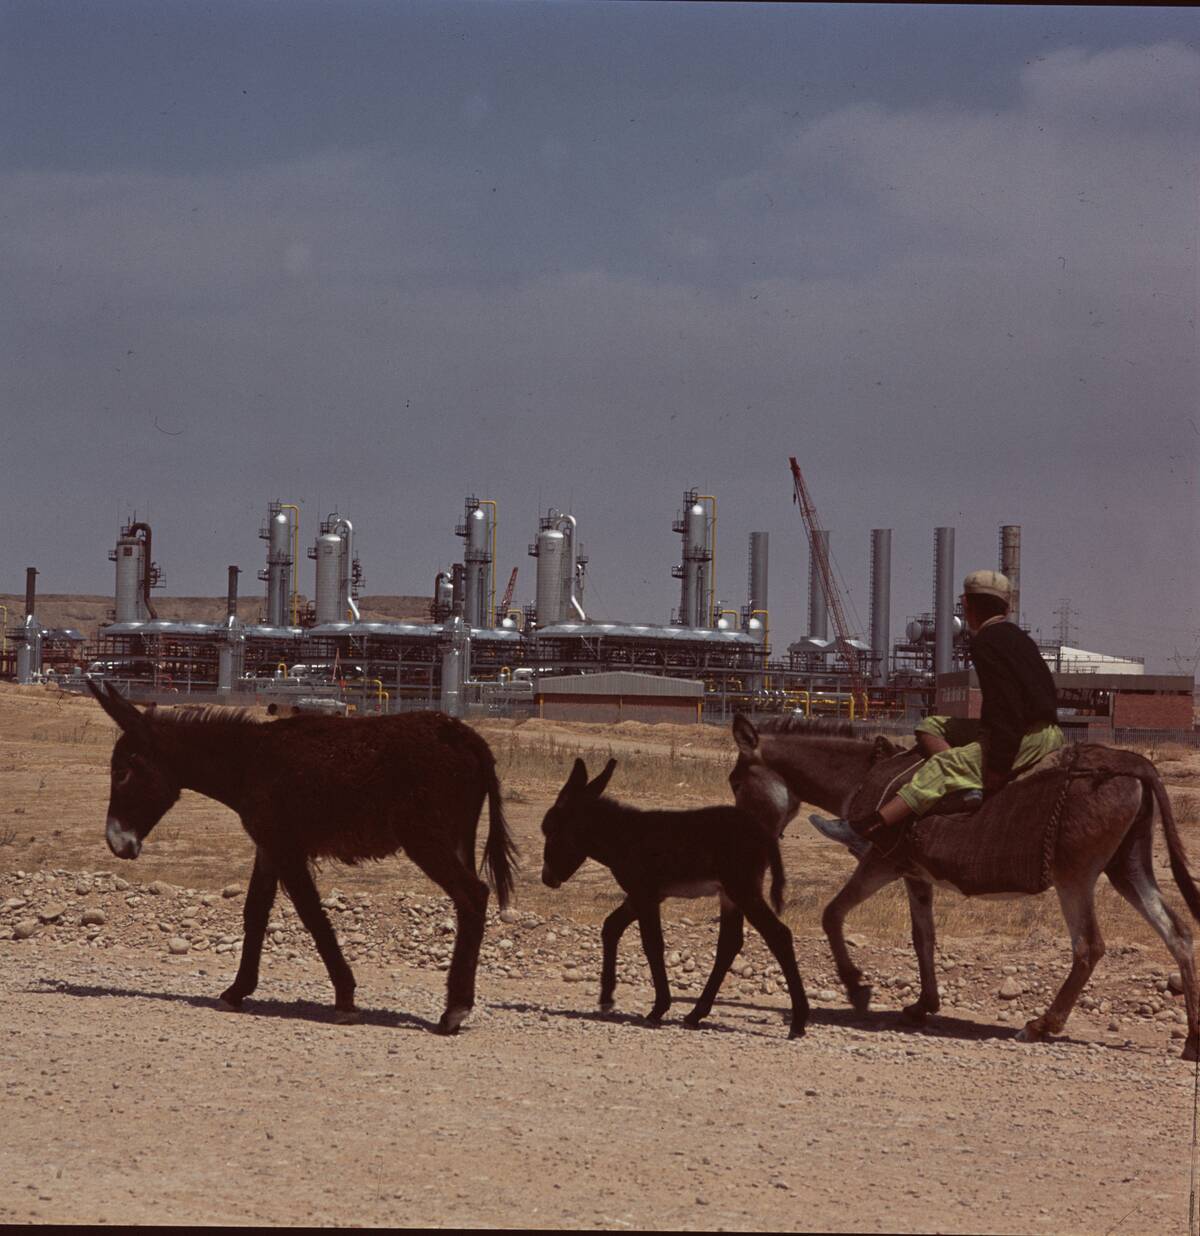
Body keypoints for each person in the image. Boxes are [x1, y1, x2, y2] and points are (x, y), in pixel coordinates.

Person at [811, 569, 1063, 857]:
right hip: (1034, 726)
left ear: (966, 605)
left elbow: (1006, 707)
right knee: (931, 725)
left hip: (1028, 735)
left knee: (942, 767)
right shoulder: (1018, 637)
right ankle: (964, 785)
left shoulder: (986, 642)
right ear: (1007, 608)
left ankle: (865, 832)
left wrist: (997, 765)